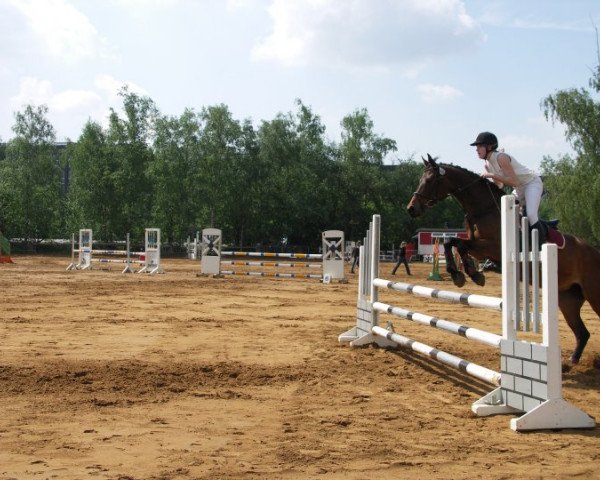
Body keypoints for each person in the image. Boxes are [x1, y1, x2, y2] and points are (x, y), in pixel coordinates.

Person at [470, 131, 546, 242]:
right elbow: (500, 185)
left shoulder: (501, 157)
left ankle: (541, 244)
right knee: (505, 211)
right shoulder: (488, 164)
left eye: (480, 146)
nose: (477, 149)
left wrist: (491, 175)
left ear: (490, 146)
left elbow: (514, 181)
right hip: (519, 188)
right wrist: (491, 178)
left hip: (532, 183)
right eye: (477, 146)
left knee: (531, 214)